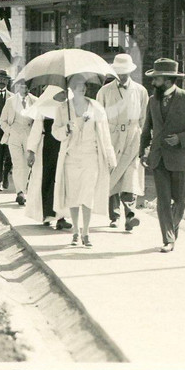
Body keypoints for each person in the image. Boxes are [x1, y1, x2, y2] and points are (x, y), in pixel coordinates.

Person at [139, 58, 185, 253]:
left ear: (168, 80)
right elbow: (147, 128)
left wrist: (181, 138)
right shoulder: (152, 101)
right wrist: (142, 151)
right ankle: (168, 238)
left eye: (156, 79)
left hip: (181, 157)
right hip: (158, 157)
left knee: (179, 200)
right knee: (162, 200)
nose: (153, 83)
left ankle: (172, 230)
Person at [49, 74, 117, 248]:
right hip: (71, 158)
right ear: (71, 87)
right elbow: (55, 132)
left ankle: (86, 232)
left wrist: (110, 157)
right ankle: (75, 233)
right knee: (73, 196)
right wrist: (66, 128)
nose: (82, 87)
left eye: (84, 84)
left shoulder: (96, 107)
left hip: (91, 158)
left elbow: (104, 134)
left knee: (87, 195)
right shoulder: (63, 109)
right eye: (78, 84)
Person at [97, 53, 149, 232]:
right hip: (111, 136)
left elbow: (144, 117)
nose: (122, 75)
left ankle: (130, 215)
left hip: (133, 136)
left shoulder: (140, 91)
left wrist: (144, 140)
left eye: (125, 72)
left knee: (130, 175)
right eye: (119, 72)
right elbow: (98, 117)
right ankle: (114, 215)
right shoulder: (104, 91)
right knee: (112, 173)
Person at [26, 86, 73, 230]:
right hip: (47, 148)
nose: (64, 94)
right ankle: (46, 214)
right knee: (46, 180)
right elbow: (36, 130)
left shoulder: (70, 108)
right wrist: (31, 151)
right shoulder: (44, 108)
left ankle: (61, 217)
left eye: (66, 92)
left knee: (62, 181)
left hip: (65, 146)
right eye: (62, 92)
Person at [0, 77, 37, 205]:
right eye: (22, 87)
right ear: (17, 87)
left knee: (27, 163)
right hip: (14, 134)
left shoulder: (35, 101)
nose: (24, 90)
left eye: (27, 87)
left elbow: (37, 121)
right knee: (17, 163)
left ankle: (24, 190)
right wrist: (10, 131)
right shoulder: (10, 101)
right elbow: (2, 120)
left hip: (29, 134)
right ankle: (20, 192)